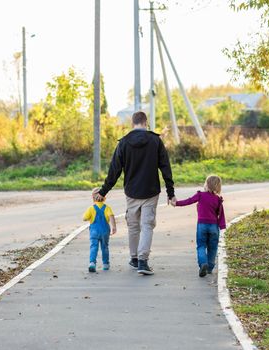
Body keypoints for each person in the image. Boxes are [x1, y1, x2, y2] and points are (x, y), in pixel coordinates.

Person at [95, 111, 176, 275]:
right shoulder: (155, 141)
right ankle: (143, 261)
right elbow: (165, 168)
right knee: (147, 226)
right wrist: (170, 192)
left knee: (133, 226)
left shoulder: (123, 143)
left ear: (133, 124)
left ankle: (134, 258)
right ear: (146, 123)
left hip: (131, 192)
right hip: (151, 191)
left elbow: (114, 171)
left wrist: (103, 191)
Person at [174, 175, 226, 277]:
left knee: (201, 246)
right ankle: (210, 268)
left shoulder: (200, 195)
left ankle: (203, 264)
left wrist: (176, 203)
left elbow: (188, 201)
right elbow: (221, 214)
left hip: (202, 225)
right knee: (213, 248)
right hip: (214, 227)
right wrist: (222, 226)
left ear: (206, 184)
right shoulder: (218, 199)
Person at [83, 188, 116, 273]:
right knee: (105, 247)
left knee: (93, 247)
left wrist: (89, 216)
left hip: (94, 231)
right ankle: (105, 264)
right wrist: (114, 227)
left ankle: (92, 263)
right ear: (104, 198)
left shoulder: (91, 208)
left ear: (93, 198)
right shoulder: (107, 208)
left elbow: (85, 218)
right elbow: (111, 216)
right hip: (105, 231)